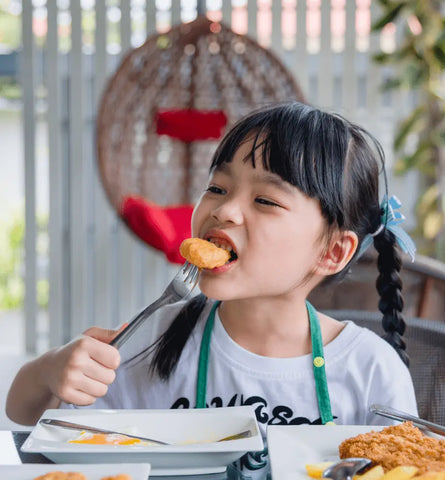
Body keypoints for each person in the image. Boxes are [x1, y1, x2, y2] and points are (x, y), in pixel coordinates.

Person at [6, 102, 417, 475]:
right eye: (218, 188)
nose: (223, 210)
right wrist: (49, 372)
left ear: (332, 251)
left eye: (266, 201)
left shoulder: (371, 370)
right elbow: (30, 420)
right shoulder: (154, 336)